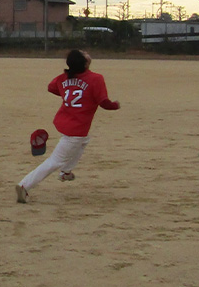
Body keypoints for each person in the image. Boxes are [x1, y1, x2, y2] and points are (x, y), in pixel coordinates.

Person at [15, 49, 120, 203]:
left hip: (66, 122)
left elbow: (51, 87)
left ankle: (66, 172)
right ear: (85, 63)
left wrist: (68, 90)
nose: (87, 53)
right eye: (84, 54)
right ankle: (24, 185)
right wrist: (115, 105)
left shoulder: (65, 77)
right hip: (76, 128)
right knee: (55, 161)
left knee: (83, 142)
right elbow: (103, 102)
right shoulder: (95, 78)